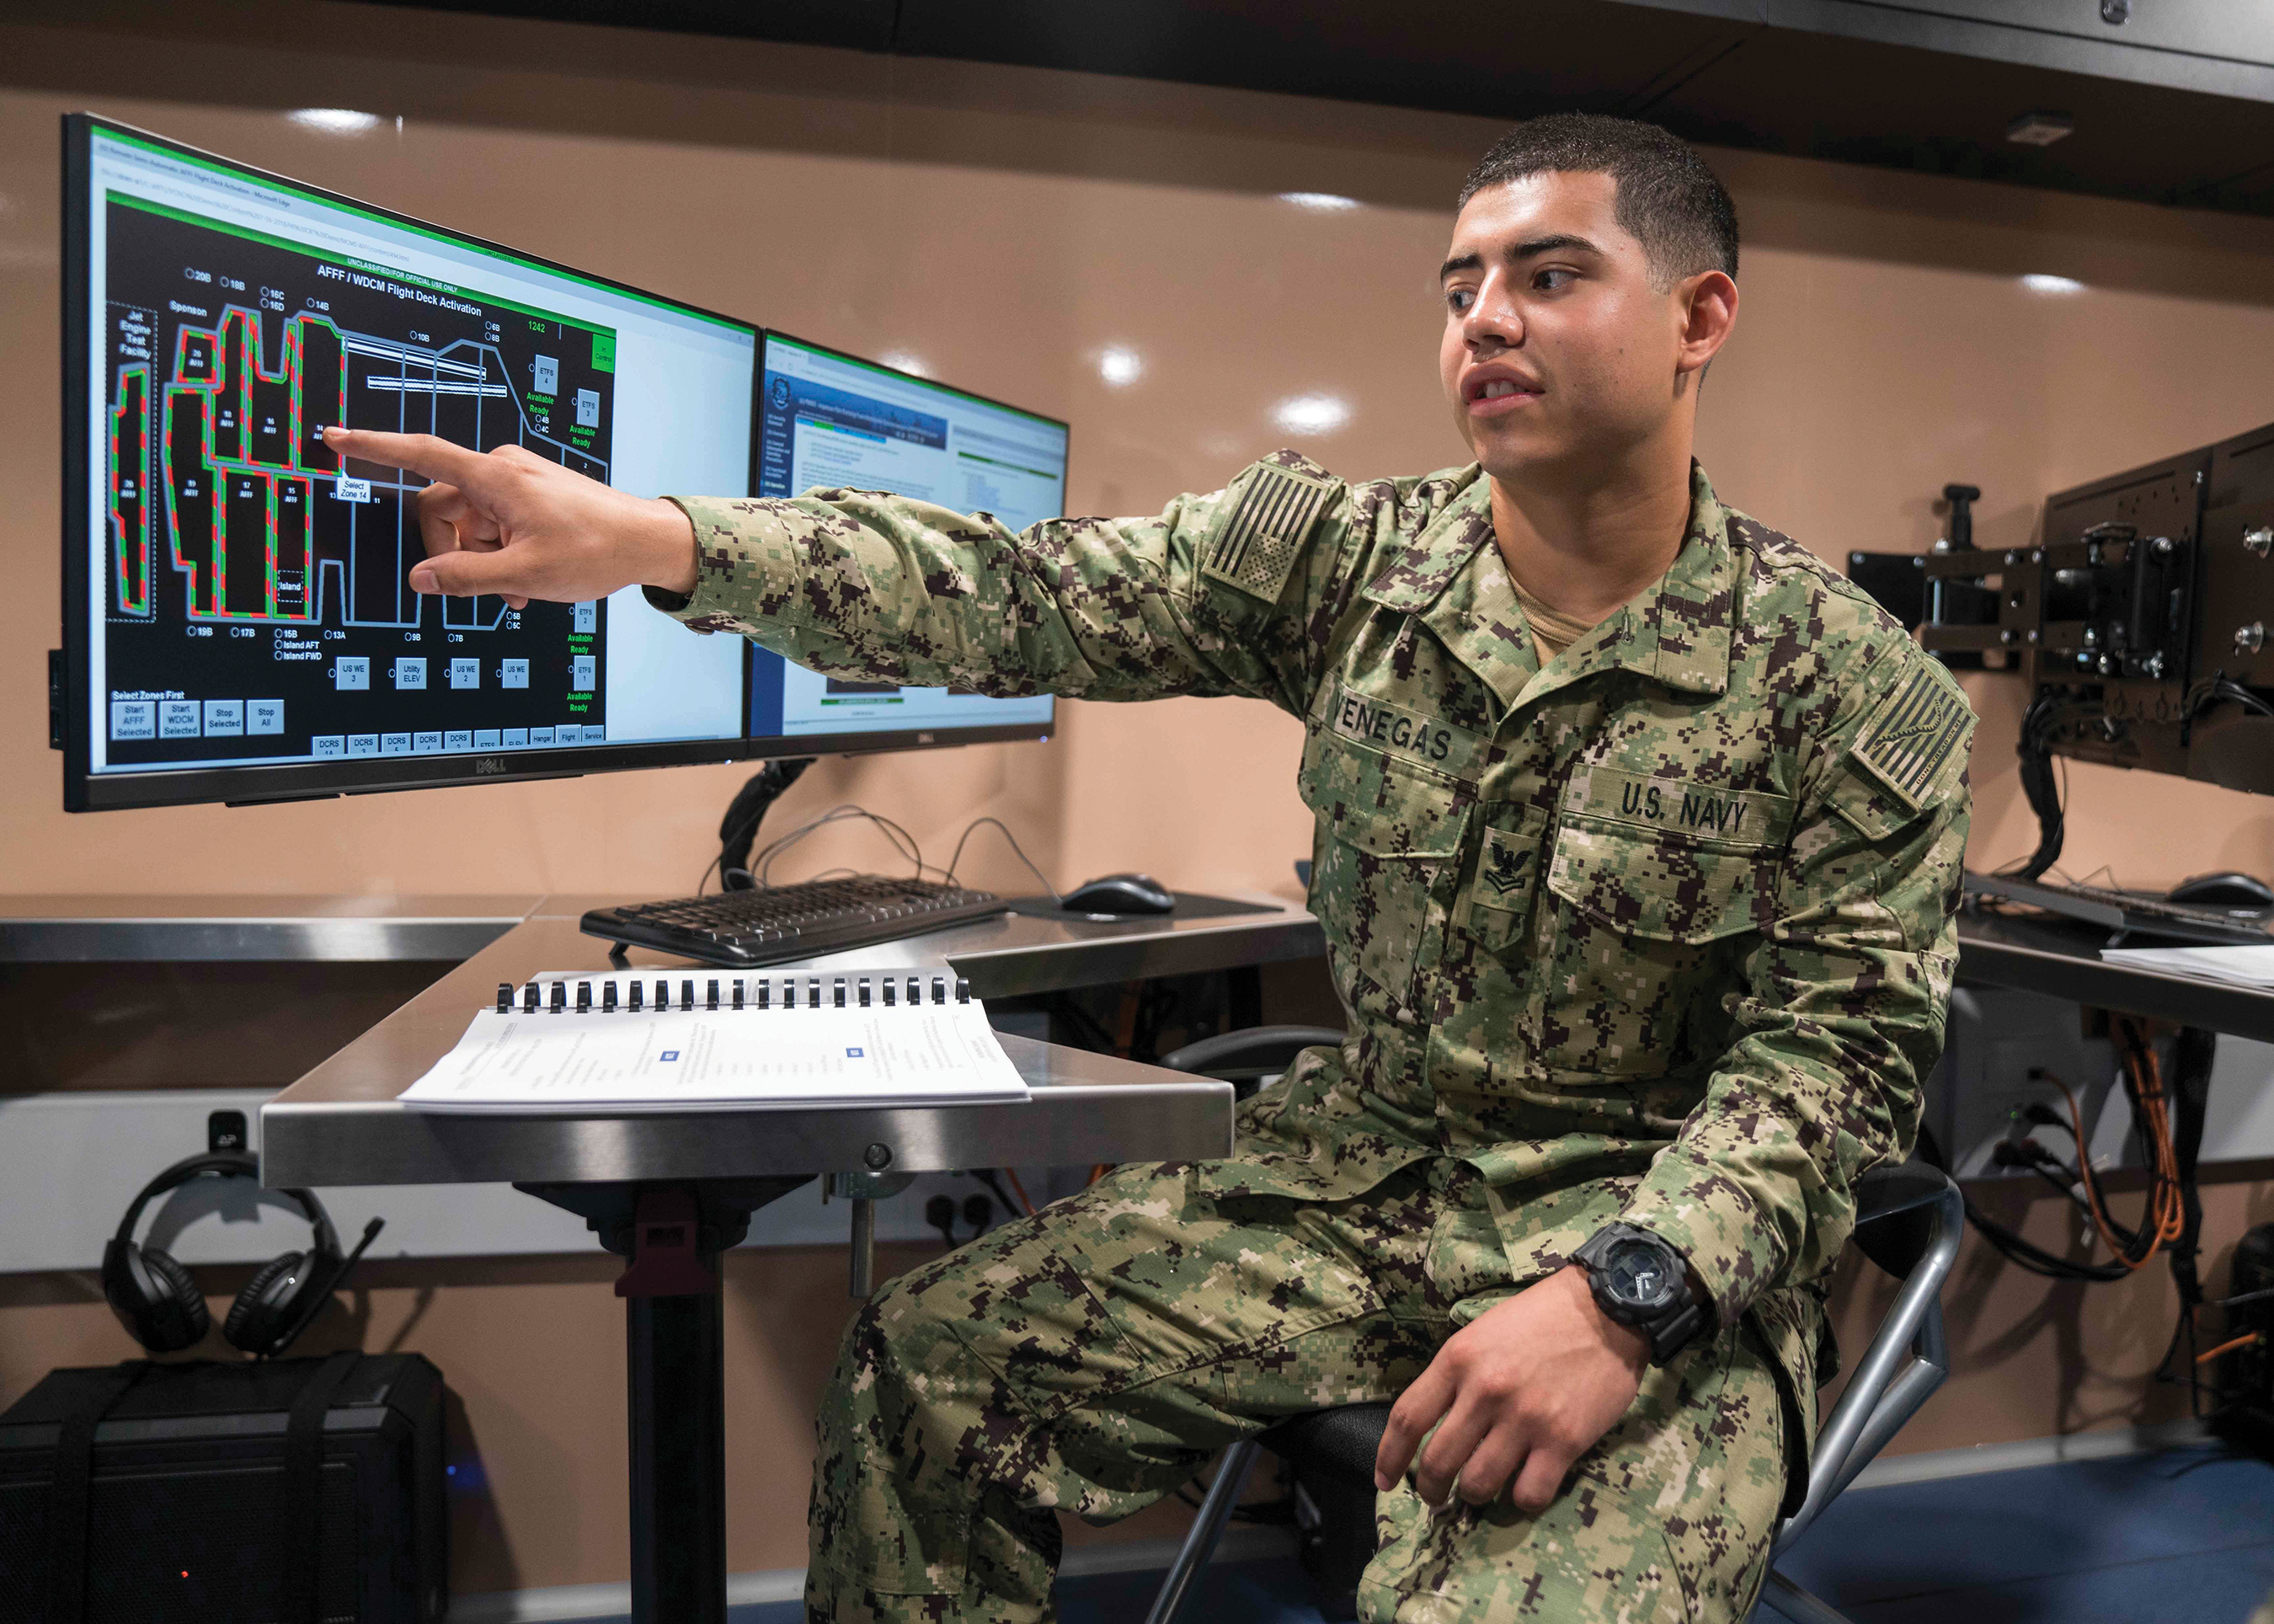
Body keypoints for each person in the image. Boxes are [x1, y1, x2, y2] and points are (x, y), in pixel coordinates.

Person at [328, 113, 1972, 1623]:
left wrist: (1625, 1299)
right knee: (931, 1376)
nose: (1486, 319)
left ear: (1701, 318)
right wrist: (658, 542)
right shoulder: (1354, 566)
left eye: (1553, 276)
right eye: (1460, 283)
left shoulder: (1844, 681)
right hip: (1365, 1187)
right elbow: (1019, 589)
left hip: (1647, 1226)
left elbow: (1836, 1061)